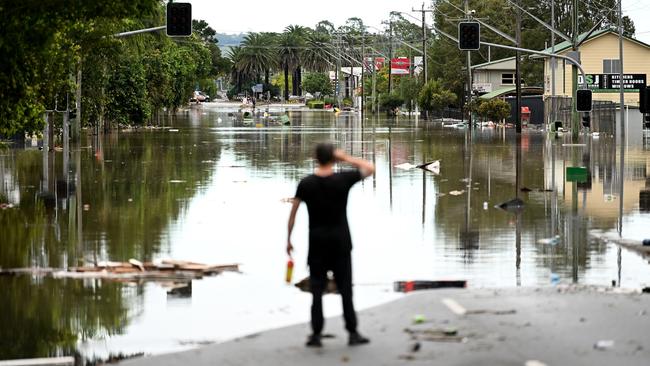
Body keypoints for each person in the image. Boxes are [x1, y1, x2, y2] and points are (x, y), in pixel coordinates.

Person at [287, 143, 375, 348]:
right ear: (333, 158)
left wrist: (288, 240)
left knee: (317, 289)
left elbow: (293, 215)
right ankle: (352, 333)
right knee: (345, 288)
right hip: (341, 242)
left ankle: (316, 335)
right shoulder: (343, 179)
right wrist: (345, 158)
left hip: (317, 242)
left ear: (316, 158)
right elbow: (370, 168)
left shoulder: (306, 183)